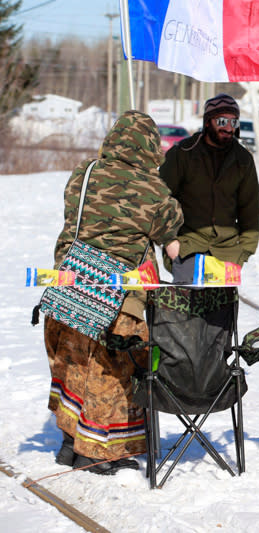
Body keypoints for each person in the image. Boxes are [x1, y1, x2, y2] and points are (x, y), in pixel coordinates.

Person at [45, 110, 184, 475]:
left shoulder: (84, 173)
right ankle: (97, 452)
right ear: (151, 148)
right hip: (119, 300)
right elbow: (172, 243)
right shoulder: (154, 191)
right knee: (112, 376)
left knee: (73, 367)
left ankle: (69, 446)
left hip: (70, 286)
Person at [160, 93, 259, 283]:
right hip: (188, 248)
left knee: (222, 312)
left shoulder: (243, 160)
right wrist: (169, 241)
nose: (229, 128)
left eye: (234, 122)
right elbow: (161, 200)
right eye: (222, 121)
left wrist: (244, 252)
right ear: (208, 122)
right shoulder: (182, 154)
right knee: (187, 310)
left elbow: (250, 209)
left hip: (228, 253)